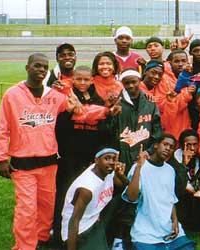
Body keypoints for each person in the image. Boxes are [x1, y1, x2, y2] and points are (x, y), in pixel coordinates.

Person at [0, 53, 75, 250]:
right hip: (23, 163)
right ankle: (25, 246)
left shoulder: (54, 96)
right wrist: (1, 158)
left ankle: (41, 240)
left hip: (49, 162)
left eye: (44, 67)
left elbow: (76, 108)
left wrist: (66, 89)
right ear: (27, 68)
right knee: (27, 209)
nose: (41, 70)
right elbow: (3, 128)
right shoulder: (13, 94)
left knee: (46, 207)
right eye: (37, 66)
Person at [53, 66, 122, 243]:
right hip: (70, 157)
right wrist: (70, 112)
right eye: (79, 79)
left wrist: (109, 114)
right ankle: (62, 235)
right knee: (66, 196)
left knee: (90, 196)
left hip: (91, 157)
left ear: (92, 80)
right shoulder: (65, 96)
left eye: (86, 80)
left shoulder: (98, 99)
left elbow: (102, 127)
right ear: (73, 79)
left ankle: (88, 228)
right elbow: (62, 125)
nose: (82, 83)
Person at [105, 68, 163, 249]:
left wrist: (150, 151)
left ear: (140, 81)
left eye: (134, 82)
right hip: (122, 159)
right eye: (127, 82)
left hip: (142, 160)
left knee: (141, 199)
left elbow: (157, 132)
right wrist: (110, 114)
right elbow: (107, 133)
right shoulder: (118, 104)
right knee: (120, 200)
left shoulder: (150, 104)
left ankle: (139, 234)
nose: (131, 86)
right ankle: (118, 237)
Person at [122, 135, 196, 250]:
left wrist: (175, 221)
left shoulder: (170, 170)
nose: (168, 149)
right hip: (146, 232)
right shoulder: (139, 167)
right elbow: (131, 197)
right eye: (165, 144)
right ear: (156, 145)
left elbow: (170, 199)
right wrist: (138, 167)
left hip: (168, 228)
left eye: (171, 147)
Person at [61, 148, 128, 250]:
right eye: (107, 158)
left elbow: (126, 187)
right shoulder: (87, 188)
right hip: (80, 231)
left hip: (94, 220)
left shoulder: (108, 171)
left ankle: (116, 238)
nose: (111, 162)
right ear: (96, 161)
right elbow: (74, 221)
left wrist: (121, 175)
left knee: (123, 199)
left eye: (113, 159)